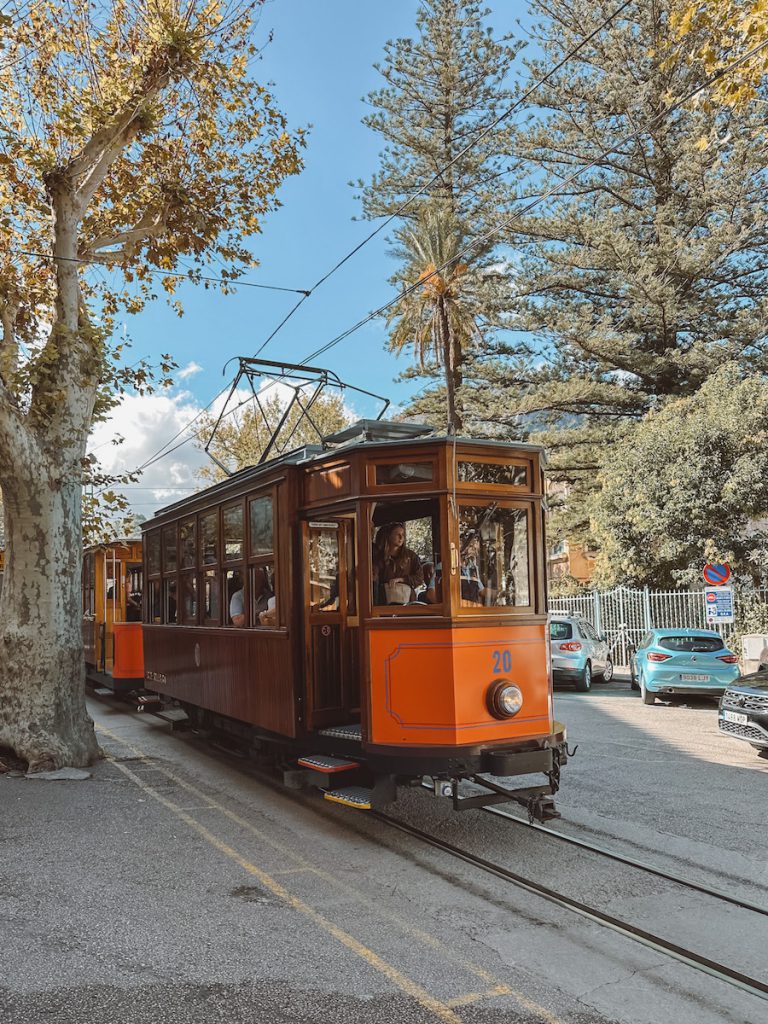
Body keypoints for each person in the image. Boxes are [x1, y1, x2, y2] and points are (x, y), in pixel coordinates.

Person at [372, 522, 423, 604]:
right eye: (397, 534)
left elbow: (419, 578)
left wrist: (401, 579)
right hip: (384, 601)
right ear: (389, 536)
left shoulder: (411, 556)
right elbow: (375, 579)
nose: (401, 537)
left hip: (407, 600)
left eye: (403, 534)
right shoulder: (379, 557)